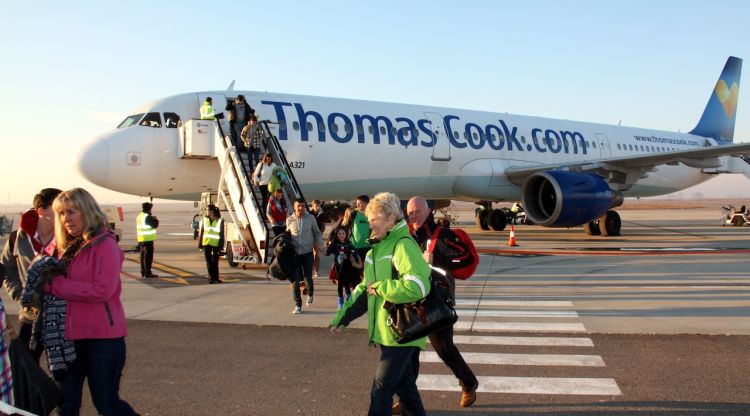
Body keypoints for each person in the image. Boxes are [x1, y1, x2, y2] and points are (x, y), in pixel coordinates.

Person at [329, 192, 431, 416]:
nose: (369, 225)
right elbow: (365, 290)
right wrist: (342, 318)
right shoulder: (377, 248)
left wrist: (383, 287)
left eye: (374, 219)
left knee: (380, 391)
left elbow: (419, 287)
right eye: (368, 219)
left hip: (403, 332)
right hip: (387, 332)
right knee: (406, 390)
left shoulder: (403, 246)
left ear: (391, 218)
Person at [45, 188, 138, 416]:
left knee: (107, 405)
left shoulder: (105, 244)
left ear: (87, 212)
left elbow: (102, 290)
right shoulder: (60, 246)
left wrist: (57, 286)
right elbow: (38, 270)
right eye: (61, 213)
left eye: (71, 212)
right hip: (67, 340)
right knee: (66, 405)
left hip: (102, 339)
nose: (66, 218)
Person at [405, 196, 479, 408]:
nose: (414, 215)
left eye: (418, 211)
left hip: (437, 304)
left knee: (445, 349)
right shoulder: (407, 237)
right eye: (410, 213)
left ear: (429, 211)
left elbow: (468, 259)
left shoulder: (444, 236)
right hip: (412, 303)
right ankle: (407, 400)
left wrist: (437, 260)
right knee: (410, 353)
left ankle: (468, 383)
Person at [1, 187, 62, 362]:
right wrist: (21, 296)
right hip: (29, 315)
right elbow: (6, 269)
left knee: (64, 375)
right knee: (26, 368)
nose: (64, 210)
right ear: (42, 211)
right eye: (58, 206)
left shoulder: (69, 237)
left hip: (61, 318)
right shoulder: (17, 238)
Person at [285, 198, 323, 314]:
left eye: (303, 206)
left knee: (308, 277)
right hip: (295, 255)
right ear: (294, 207)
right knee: (295, 281)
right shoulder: (289, 220)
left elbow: (317, 232)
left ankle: (310, 294)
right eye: (299, 206)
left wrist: (320, 244)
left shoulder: (310, 218)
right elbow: (287, 235)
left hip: (307, 253)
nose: (301, 208)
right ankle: (298, 304)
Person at [325, 226, 362, 309]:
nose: (341, 235)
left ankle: (348, 298)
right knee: (340, 284)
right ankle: (340, 301)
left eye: (343, 233)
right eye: (339, 234)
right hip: (338, 267)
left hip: (347, 267)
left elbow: (354, 251)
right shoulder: (335, 243)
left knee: (346, 283)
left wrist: (352, 254)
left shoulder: (349, 243)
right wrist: (323, 249)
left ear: (346, 234)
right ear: (337, 234)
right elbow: (327, 252)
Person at [198, 204, 224, 284]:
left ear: (212, 211)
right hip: (206, 244)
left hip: (216, 245)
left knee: (215, 262)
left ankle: (216, 278)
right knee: (209, 262)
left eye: (207, 210)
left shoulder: (219, 220)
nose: (206, 212)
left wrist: (221, 246)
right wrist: (200, 244)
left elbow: (221, 234)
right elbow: (202, 232)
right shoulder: (204, 220)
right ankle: (211, 279)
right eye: (206, 210)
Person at [136, 202, 159, 278]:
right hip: (147, 239)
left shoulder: (140, 216)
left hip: (141, 239)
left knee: (143, 257)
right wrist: (155, 219)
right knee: (148, 257)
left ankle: (143, 272)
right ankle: (148, 273)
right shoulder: (147, 217)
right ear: (149, 209)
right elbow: (155, 225)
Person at [350, 195, 371, 275]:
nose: (357, 205)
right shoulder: (353, 213)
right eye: (357, 203)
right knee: (356, 271)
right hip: (355, 246)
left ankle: (366, 285)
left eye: (360, 203)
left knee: (367, 270)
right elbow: (344, 224)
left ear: (366, 203)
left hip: (368, 246)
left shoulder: (371, 214)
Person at [309, 199, 330, 278]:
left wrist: (319, 234)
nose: (317, 208)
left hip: (317, 236)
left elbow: (323, 226)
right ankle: (310, 270)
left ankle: (316, 271)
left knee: (316, 255)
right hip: (309, 236)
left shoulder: (322, 215)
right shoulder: (309, 214)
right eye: (316, 206)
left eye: (319, 206)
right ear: (313, 206)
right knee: (309, 254)